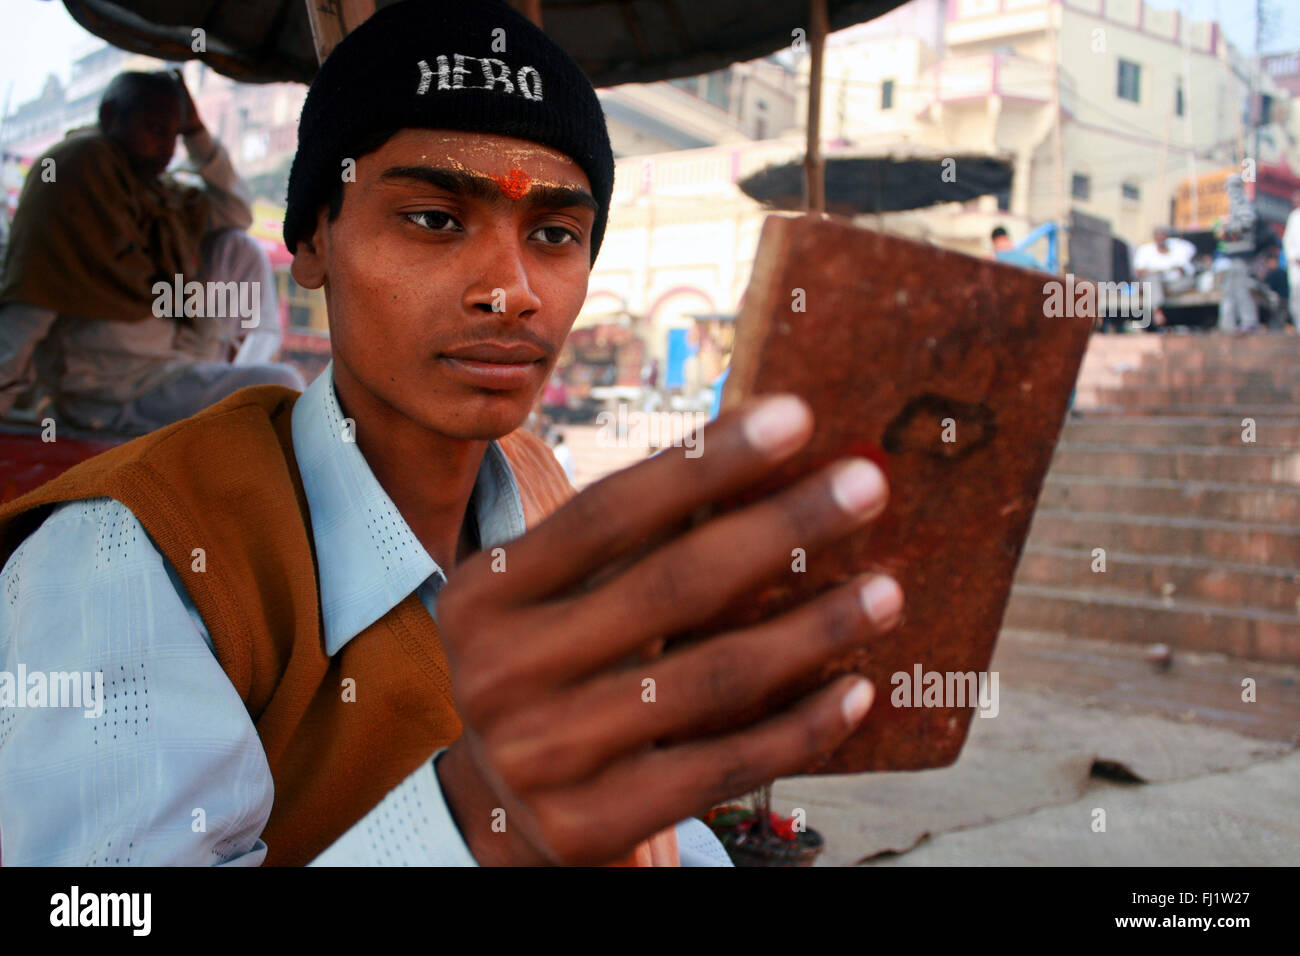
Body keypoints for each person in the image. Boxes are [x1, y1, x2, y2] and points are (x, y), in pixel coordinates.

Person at [0, 0, 900, 867]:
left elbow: (654, 825)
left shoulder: (545, 495)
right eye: (434, 219)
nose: (511, 288)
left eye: (553, 231)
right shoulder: (132, 559)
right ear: (313, 240)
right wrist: (478, 827)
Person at [0, 69, 303, 434]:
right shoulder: (81, 172)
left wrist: (196, 133)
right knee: (283, 385)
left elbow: (236, 213)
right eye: (154, 130)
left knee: (236, 247)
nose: (166, 150)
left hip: (165, 371)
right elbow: (33, 300)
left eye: (174, 136)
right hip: (105, 393)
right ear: (111, 117)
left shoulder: (158, 198)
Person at [1214, 174, 1262, 333]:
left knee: (1241, 288)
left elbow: (1247, 222)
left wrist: (1227, 228)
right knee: (1229, 289)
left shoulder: (1242, 203)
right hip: (1232, 254)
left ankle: (1249, 322)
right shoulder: (1234, 205)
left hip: (1242, 254)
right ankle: (1227, 325)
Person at [1133, 226, 1196, 329]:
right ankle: (1157, 310)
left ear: (1167, 237)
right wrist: (1157, 271)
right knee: (1153, 279)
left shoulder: (1177, 250)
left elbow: (1186, 270)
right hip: (1151, 281)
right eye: (1158, 236)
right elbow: (1138, 272)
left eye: (1162, 235)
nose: (1160, 238)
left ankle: (1164, 291)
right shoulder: (1145, 250)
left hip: (1170, 283)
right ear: (1154, 237)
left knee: (1189, 280)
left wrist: (1179, 269)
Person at [1284, 189, 1300, 328]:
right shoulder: (1294, 217)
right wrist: (1295, 257)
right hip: (1296, 266)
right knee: (1296, 298)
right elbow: (1287, 241)